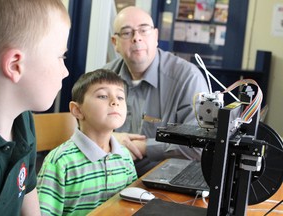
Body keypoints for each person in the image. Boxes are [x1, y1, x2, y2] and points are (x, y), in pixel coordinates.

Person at [103, 6, 209, 176]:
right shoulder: (103, 79)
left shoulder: (188, 79)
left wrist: (145, 147)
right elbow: (86, 132)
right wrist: (109, 139)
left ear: (156, 36)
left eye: (144, 30)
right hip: (109, 177)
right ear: (115, 43)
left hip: (163, 181)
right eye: (127, 32)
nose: (136, 38)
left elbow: (200, 144)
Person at [0, 0, 70, 215]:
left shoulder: (24, 120)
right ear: (15, 65)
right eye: (60, 57)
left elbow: (28, 193)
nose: (65, 71)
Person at [37, 69, 137, 216]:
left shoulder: (124, 156)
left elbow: (132, 205)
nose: (115, 102)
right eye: (103, 95)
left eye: (120, 97)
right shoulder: (60, 161)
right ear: (77, 110)